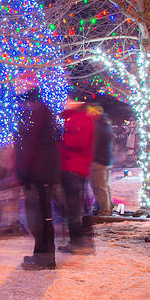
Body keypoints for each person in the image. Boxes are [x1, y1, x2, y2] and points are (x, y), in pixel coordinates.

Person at [13, 72, 60, 270]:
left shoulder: (32, 110)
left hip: (37, 171)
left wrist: (23, 170)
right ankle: (43, 254)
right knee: (41, 215)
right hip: (42, 169)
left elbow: (28, 144)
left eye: (18, 85)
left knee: (38, 216)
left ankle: (44, 257)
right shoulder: (38, 107)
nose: (15, 88)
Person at [58, 97, 96, 253]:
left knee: (73, 207)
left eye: (68, 100)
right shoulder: (78, 118)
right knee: (76, 205)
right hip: (77, 167)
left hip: (73, 167)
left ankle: (79, 242)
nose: (65, 103)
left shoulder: (78, 119)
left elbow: (76, 142)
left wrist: (60, 138)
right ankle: (80, 241)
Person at [90, 105, 115, 216]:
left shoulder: (99, 126)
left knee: (99, 187)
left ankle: (105, 211)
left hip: (100, 160)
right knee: (105, 185)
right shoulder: (105, 124)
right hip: (106, 159)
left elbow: (95, 144)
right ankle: (109, 207)